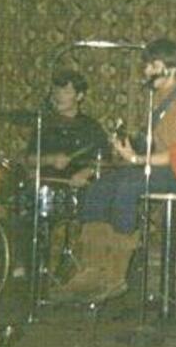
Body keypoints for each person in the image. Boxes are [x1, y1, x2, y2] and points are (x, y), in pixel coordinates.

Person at [50, 38, 176, 303]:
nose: (146, 71)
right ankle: (92, 269)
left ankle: (115, 274)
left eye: (151, 65)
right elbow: (154, 144)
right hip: (155, 166)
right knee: (100, 186)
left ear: (169, 68)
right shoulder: (158, 98)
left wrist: (135, 157)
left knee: (127, 187)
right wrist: (129, 145)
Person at [19, 69, 110, 279]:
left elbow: (105, 161)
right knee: (20, 205)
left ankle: (70, 269)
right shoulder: (44, 124)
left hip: (74, 189)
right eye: (56, 90)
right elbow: (28, 159)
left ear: (80, 96)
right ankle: (22, 267)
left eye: (66, 91)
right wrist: (50, 160)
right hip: (43, 185)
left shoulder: (90, 127)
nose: (59, 95)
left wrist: (85, 173)